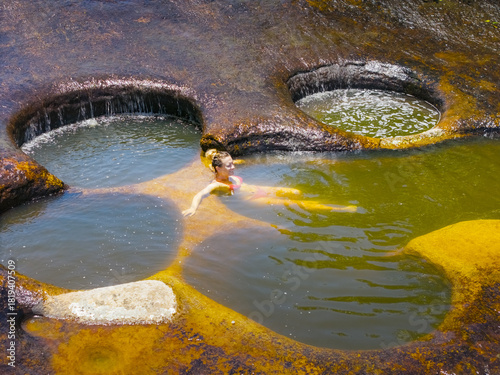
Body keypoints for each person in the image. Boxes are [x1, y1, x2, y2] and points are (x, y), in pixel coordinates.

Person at [182, 149, 357, 216]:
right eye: (229, 165)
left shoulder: (230, 174)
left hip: (258, 189)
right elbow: (201, 194)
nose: (233, 167)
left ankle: (330, 202)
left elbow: (236, 164)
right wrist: (193, 207)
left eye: (233, 162)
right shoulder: (217, 185)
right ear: (218, 169)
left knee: (295, 192)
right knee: (298, 203)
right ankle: (339, 209)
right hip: (253, 200)